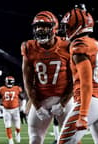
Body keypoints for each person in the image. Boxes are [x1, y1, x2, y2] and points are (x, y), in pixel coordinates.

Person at [58, 4, 98, 144]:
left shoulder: (79, 45)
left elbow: (86, 82)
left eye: (67, 25)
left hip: (89, 101)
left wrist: (83, 114)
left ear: (76, 25)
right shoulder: (97, 44)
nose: (65, 28)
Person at [21, 10, 73, 144]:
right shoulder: (29, 47)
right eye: (37, 26)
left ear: (54, 28)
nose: (39, 29)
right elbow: (28, 81)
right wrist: (37, 105)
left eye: (44, 26)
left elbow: (75, 79)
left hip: (63, 98)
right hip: (41, 98)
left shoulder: (67, 46)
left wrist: (63, 103)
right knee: (34, 139)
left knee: (71, 139)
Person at [0, 76, 23, 144]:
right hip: (6, 110)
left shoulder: (16, 88)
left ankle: (17, 133)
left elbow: (23, 98)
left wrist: (23, 106)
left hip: (15, 109)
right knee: (8, 125)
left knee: (17, 126)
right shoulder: (2, 89)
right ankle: (10, 140)